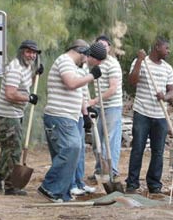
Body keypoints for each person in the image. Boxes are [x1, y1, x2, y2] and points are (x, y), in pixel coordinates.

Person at [38, 40, 106, 202]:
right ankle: (49, 187)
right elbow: (71, 84)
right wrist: (92, 76)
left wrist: (85, 113)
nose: (87, 58)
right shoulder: (64, 61)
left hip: (69, 116)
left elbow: (79, 93)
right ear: (80, 51)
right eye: (86, 55)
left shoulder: (74, 66)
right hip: (60, 115)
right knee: (72, 148)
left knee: (68, 153)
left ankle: (62, 193)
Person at [0, 40, 42, 196]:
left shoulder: (27, 67)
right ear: (21, 52)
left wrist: (35, 75)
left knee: (8, 149)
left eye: (34, 53)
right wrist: (28, 98)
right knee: (14, 151)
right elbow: (10, 94)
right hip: (7, 115)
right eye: (28, 52)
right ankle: (11, 186)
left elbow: (24, 86)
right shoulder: (14, 69)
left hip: (15, 114)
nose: (31, 55)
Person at [125, 37, 173, 194]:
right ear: (157, 47)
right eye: (166, 48)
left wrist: (165, 97)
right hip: (142, 112)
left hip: (160, 115)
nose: (168, 51)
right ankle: (132, 184)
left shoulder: (168, 68)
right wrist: (140, 60)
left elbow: (172, 91)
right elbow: (132, 81)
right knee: (138, 148)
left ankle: (154, 185)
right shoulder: (141, 62)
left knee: (158, 151)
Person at [88, 35, 124, 179]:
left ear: (109, 48)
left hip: (112, 107)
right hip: (98, 107)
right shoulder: (94, 62)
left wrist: (94, 100)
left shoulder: (112, 64)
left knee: (109, 141)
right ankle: (99, 170)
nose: (103, 48)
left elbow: (113, 89)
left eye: (105, 45)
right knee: (97, 142)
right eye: (99, 45)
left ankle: (111, 171)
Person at [70, 60, 97, 197]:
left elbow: (84, 93)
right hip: (73, 112)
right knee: (73, 151)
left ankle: (79, 182)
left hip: (81, 112)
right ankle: (72, 184)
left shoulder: (84, 67)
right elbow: (78, 92)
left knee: (80, 150)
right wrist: (85, 113)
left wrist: (88, 107)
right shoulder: (73, 69)